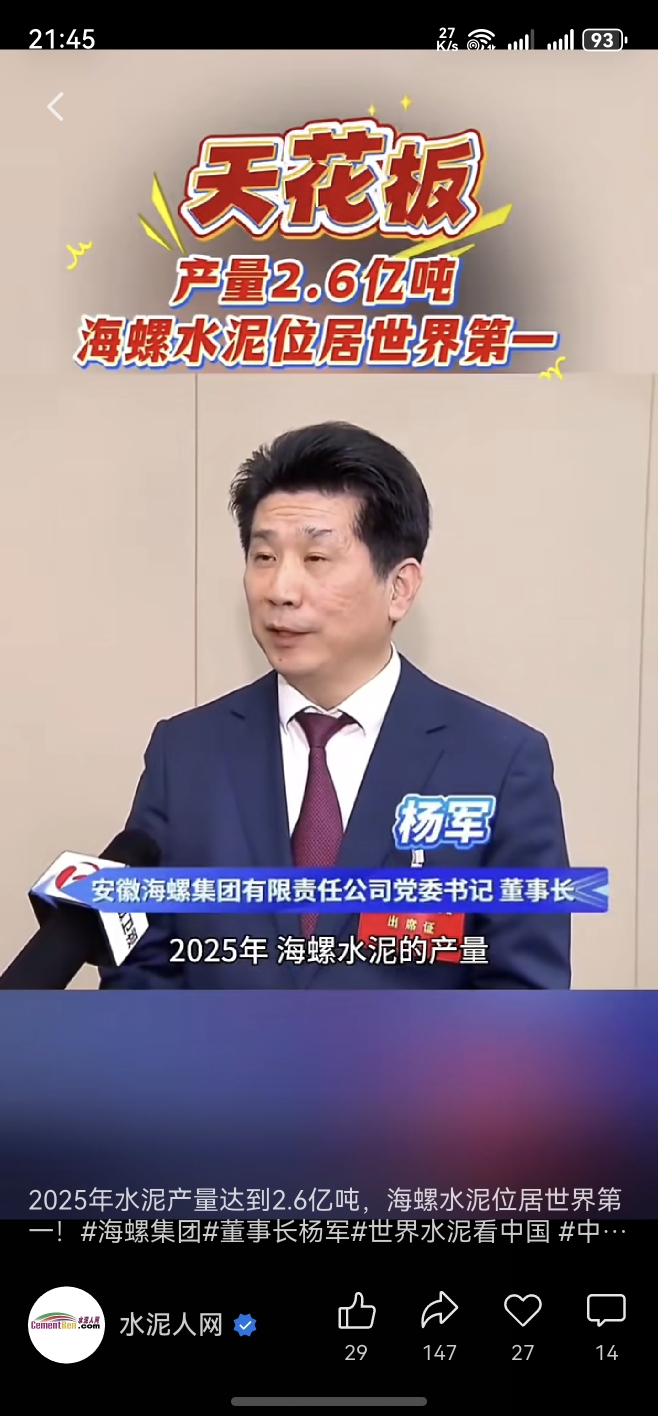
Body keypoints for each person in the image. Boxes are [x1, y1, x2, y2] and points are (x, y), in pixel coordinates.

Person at [100, 421, 570, 991]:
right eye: (263, 556)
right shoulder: (184, 753)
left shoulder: (499, 762)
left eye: (316, 558)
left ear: (399, 587)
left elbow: (521, 997)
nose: (280, 589)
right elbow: (141, 971)